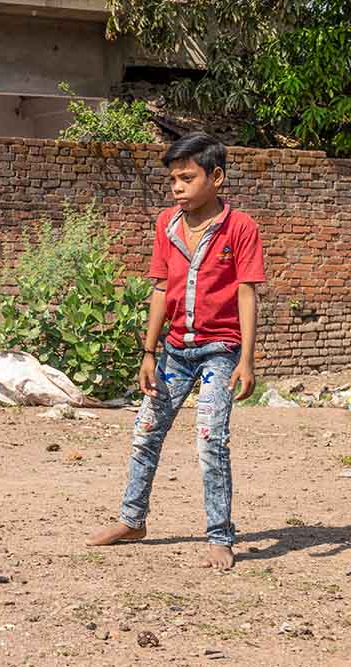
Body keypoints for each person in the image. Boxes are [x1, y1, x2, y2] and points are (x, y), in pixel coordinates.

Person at [86, 132, 265, 570]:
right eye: (173, 180)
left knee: (210, 441)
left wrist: (247, 360)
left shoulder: (240, 228)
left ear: (216, 177)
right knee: (145, 432)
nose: (177, 188)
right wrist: (148, 353)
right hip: (173, 353)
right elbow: (161, 289)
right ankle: (132, 520)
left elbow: (247, 293)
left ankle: (220, 537)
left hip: (220, 353)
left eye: (187, 178)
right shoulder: (167, 224)